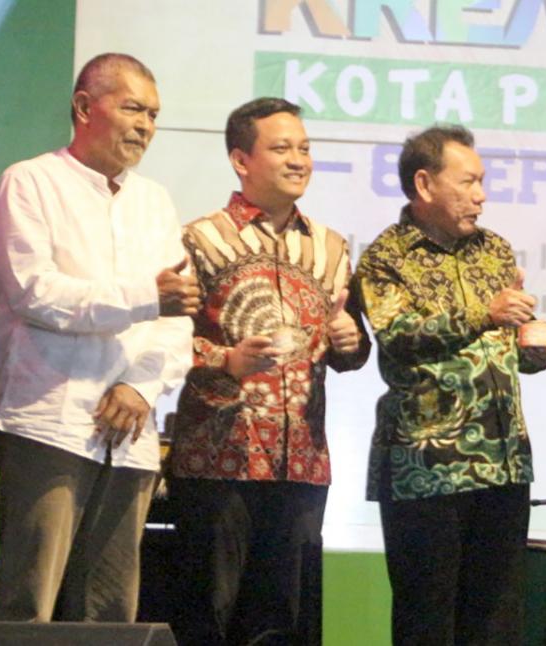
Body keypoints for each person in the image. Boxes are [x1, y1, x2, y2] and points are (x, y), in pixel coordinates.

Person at [0, 52, 197, 622]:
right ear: (83, 107)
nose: (145, 126)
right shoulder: (30, 182)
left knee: (111, 612)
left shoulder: (154, 200)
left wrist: (141, 387)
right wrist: (145, 296)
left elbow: (178, 317)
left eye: (153, 114)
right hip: (50, 424)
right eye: (133, 109)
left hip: (129, 434)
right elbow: (35, 292)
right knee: (28, 605)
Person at [167, 97, 370, 645]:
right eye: (281, 148)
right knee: (207, 619)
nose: (298, 159)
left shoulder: (331, 247)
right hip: (218, 463)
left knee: (283, 625)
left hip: (301, 465)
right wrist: (226, 361)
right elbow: (163, 341)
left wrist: (349, 341)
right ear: (241, 160)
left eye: (304, 148)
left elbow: (349, 349)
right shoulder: (198, 239)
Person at [352, 124, 546, 646]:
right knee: (428, 621)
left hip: (503, 462)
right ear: (424, 184)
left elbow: (504, 347)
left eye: (482, 181)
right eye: (468, 182)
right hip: (428, 468)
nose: (481, 195)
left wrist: (532, 351)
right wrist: (484, 313)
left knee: (496, 622)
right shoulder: (387, 257)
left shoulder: (494, 250)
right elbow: (398, 335)